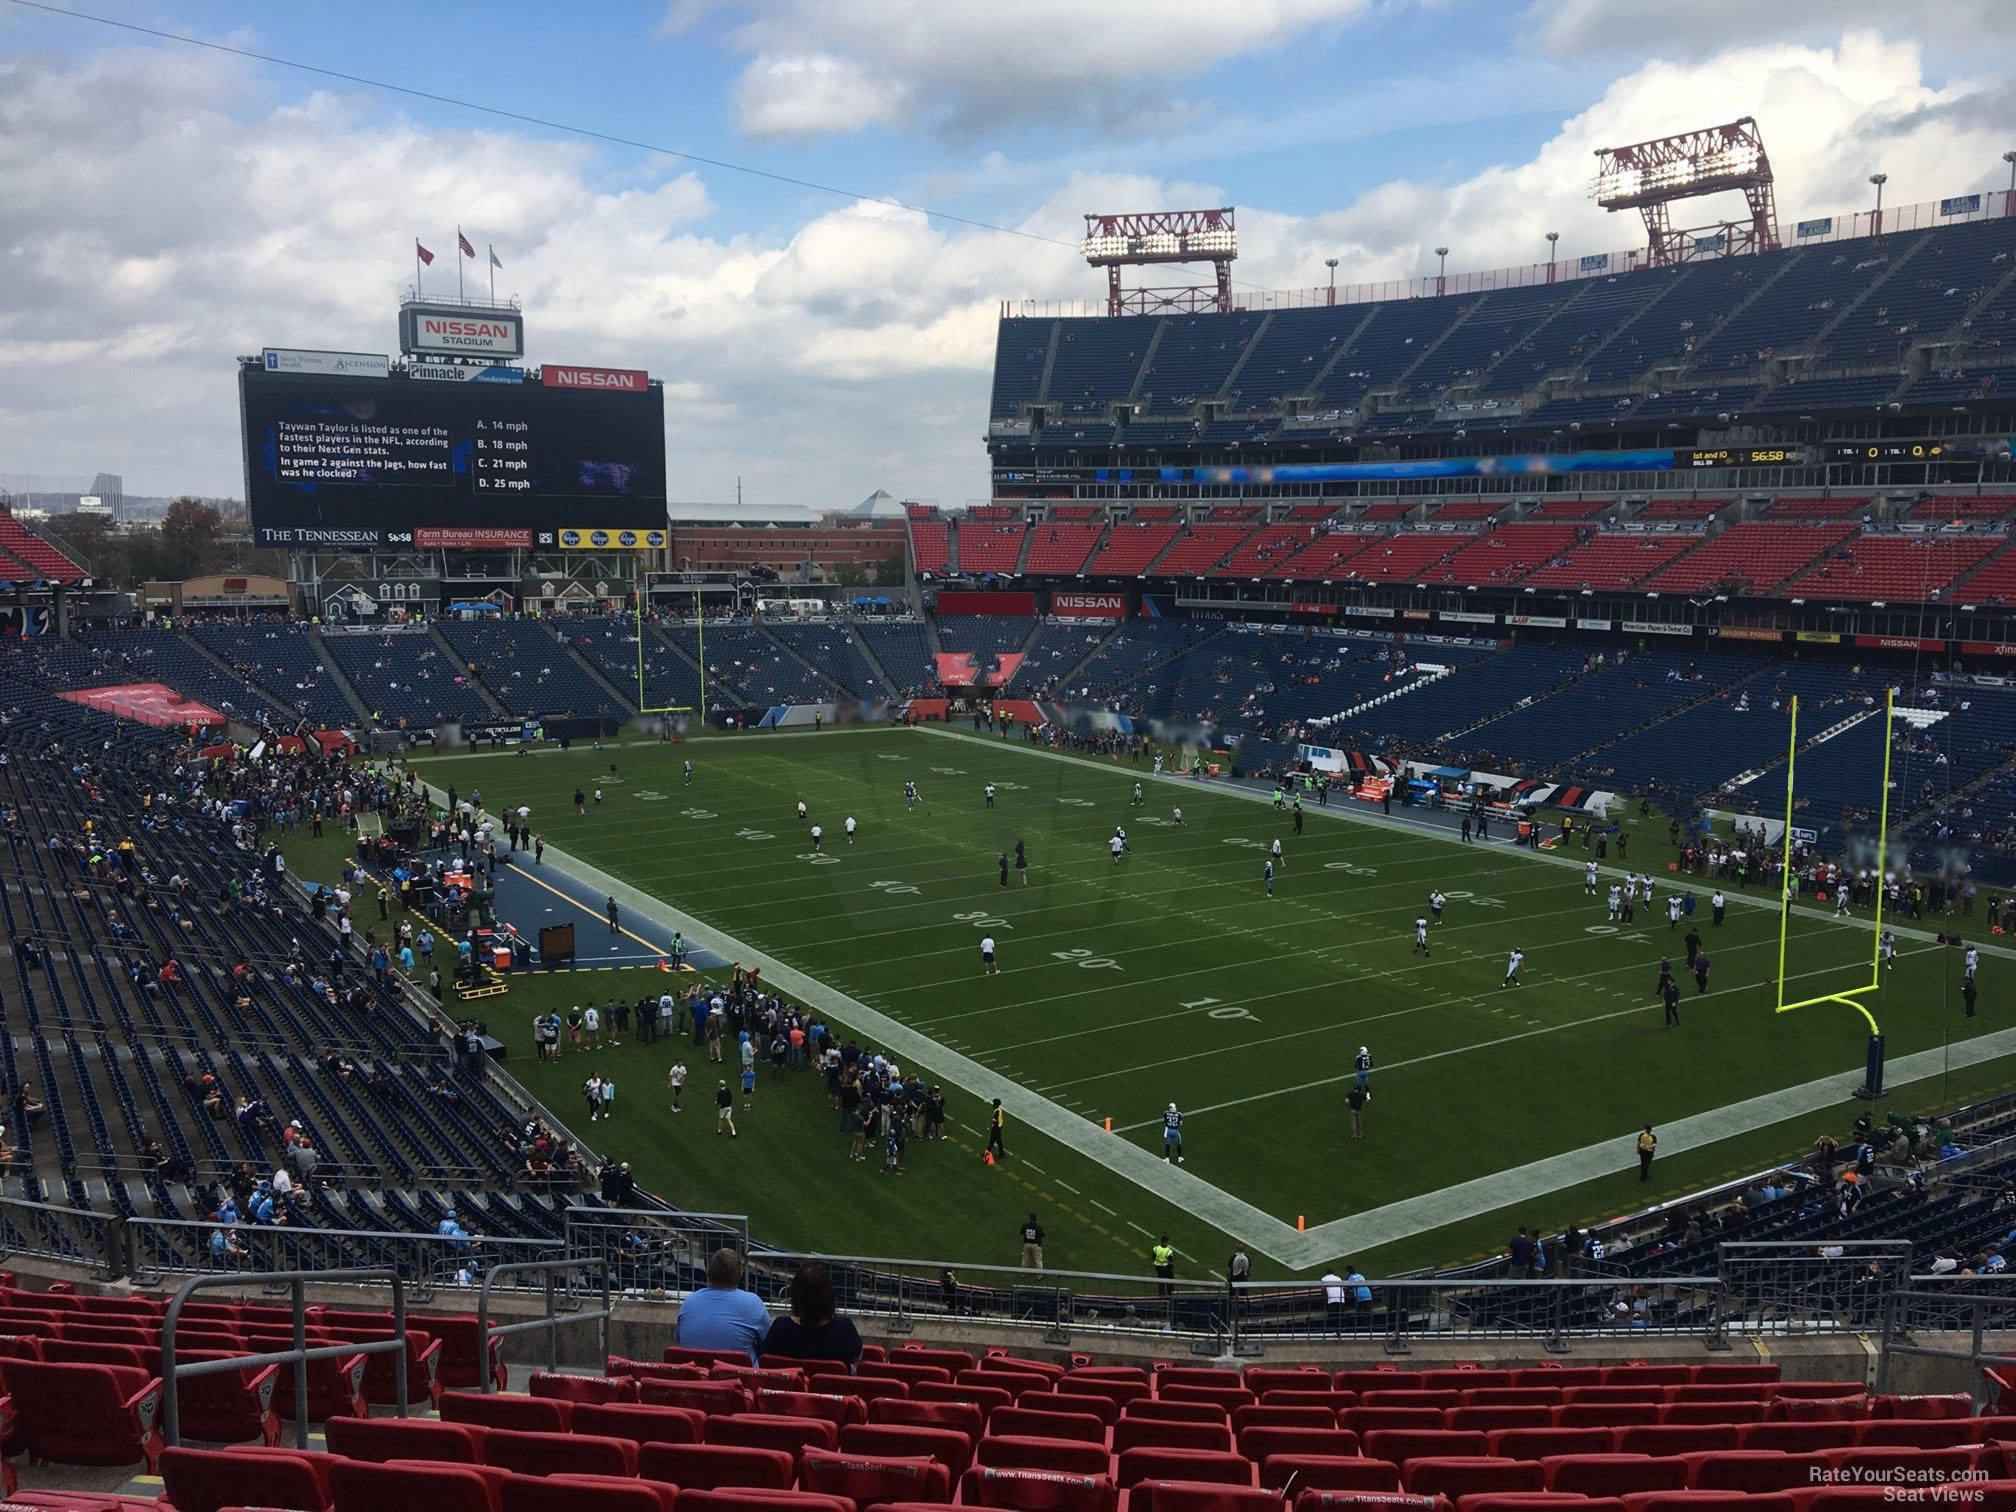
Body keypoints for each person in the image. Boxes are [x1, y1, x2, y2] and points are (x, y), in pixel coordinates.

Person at [759, 1261, 864, 1371]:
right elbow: (857, 1359)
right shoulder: (843, 1328)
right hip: (830, 1388)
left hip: (792, 1388)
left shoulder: (780, 1327)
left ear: (795, 1295)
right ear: (829, 1295)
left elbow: (763, 1359)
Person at [675, 1247, 772, 1363]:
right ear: (740, 1274)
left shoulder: (689, 1302)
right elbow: (767, 1343)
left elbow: (679, 1339)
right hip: (740, 1379)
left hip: (697, 1378)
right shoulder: (753, 1303)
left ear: (708, 1272)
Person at [1151, 1235, 1176, 1300]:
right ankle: (1171, 1297)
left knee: (1161, 1283)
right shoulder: (1169, 1251)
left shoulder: (1155, 1248)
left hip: (1158, 1268)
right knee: (1170, 1284)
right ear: (1167, 1242)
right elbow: (1171, 1261)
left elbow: (1153, 1257)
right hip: (1167, 1268)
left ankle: (1161, 1297)